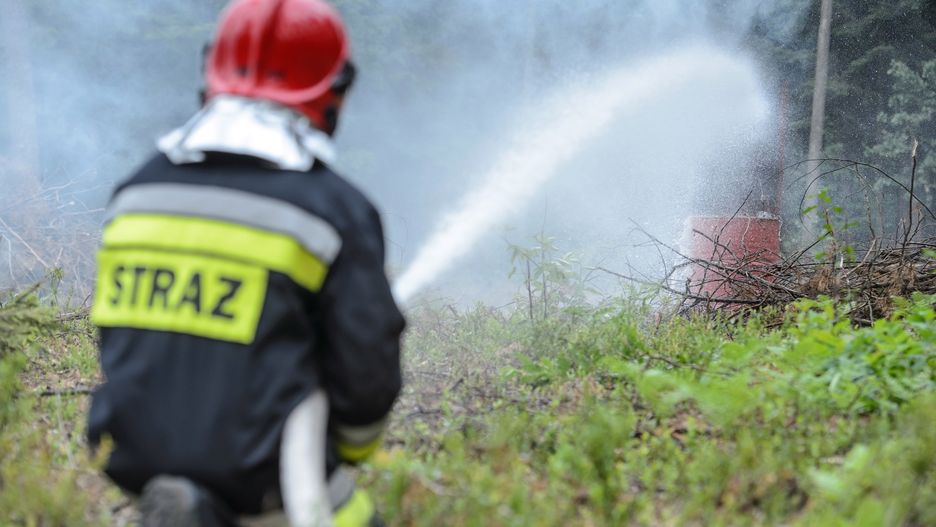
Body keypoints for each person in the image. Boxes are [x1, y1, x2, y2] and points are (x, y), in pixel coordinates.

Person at [86, 1, 404, 525]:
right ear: (333, 90)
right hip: (269, 477)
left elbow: (122, 340)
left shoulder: (136, 193)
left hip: (132, 458)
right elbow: (367, 371)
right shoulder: (333, 212)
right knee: (350, 514)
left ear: (211, 74)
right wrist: (352, 446)